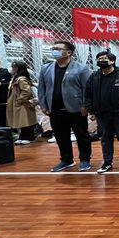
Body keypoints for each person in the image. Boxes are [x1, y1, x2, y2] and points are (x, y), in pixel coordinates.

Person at [38, 41, 92, 172]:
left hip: (76, 109)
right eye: (53, 48)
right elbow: (42, 88)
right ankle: (66, 160)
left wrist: (86, 106)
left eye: (58, 48)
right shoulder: (46, 68)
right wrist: (43, 105)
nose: (54, 50)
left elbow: (87, 89)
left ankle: (85, 160)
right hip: (55, 108)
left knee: (82, 135)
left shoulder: (81, 68)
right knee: (61, 136)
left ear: (68, 52)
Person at [85, 52, 119, 174]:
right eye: (99, 58)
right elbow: (88, 94)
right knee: (105, 139)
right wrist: (91, 110)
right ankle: (107, 163)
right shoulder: (94, 77)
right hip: (101, 114)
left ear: (112, 61)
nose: (101, 60)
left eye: (104, 58)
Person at [6, 61, 37, 145]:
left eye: (13, 67)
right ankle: (23, 136)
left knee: (25, 120)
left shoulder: (21, 79)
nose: (11, 69)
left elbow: (26, 91)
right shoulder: (16, 78)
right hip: (18, 103)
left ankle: (29, 137)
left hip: (23, 103)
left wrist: (19, 100)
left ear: (17, 68)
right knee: (21, 121)